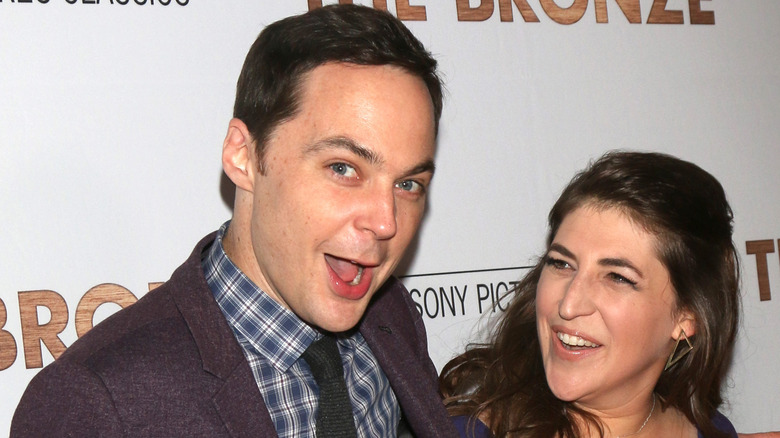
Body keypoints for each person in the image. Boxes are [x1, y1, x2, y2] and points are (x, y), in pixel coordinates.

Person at [12, 5, 457, 437]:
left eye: (408, 184)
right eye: (343, 168)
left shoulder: (391, 318)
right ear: (243, 155)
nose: (386, 223)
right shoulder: (98, 403)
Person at [440, 151, 741, 438]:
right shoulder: (463, 433)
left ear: (687, 315)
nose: (569, 305)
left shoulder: (713, 431)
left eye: (617, 277)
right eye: (561, 263)